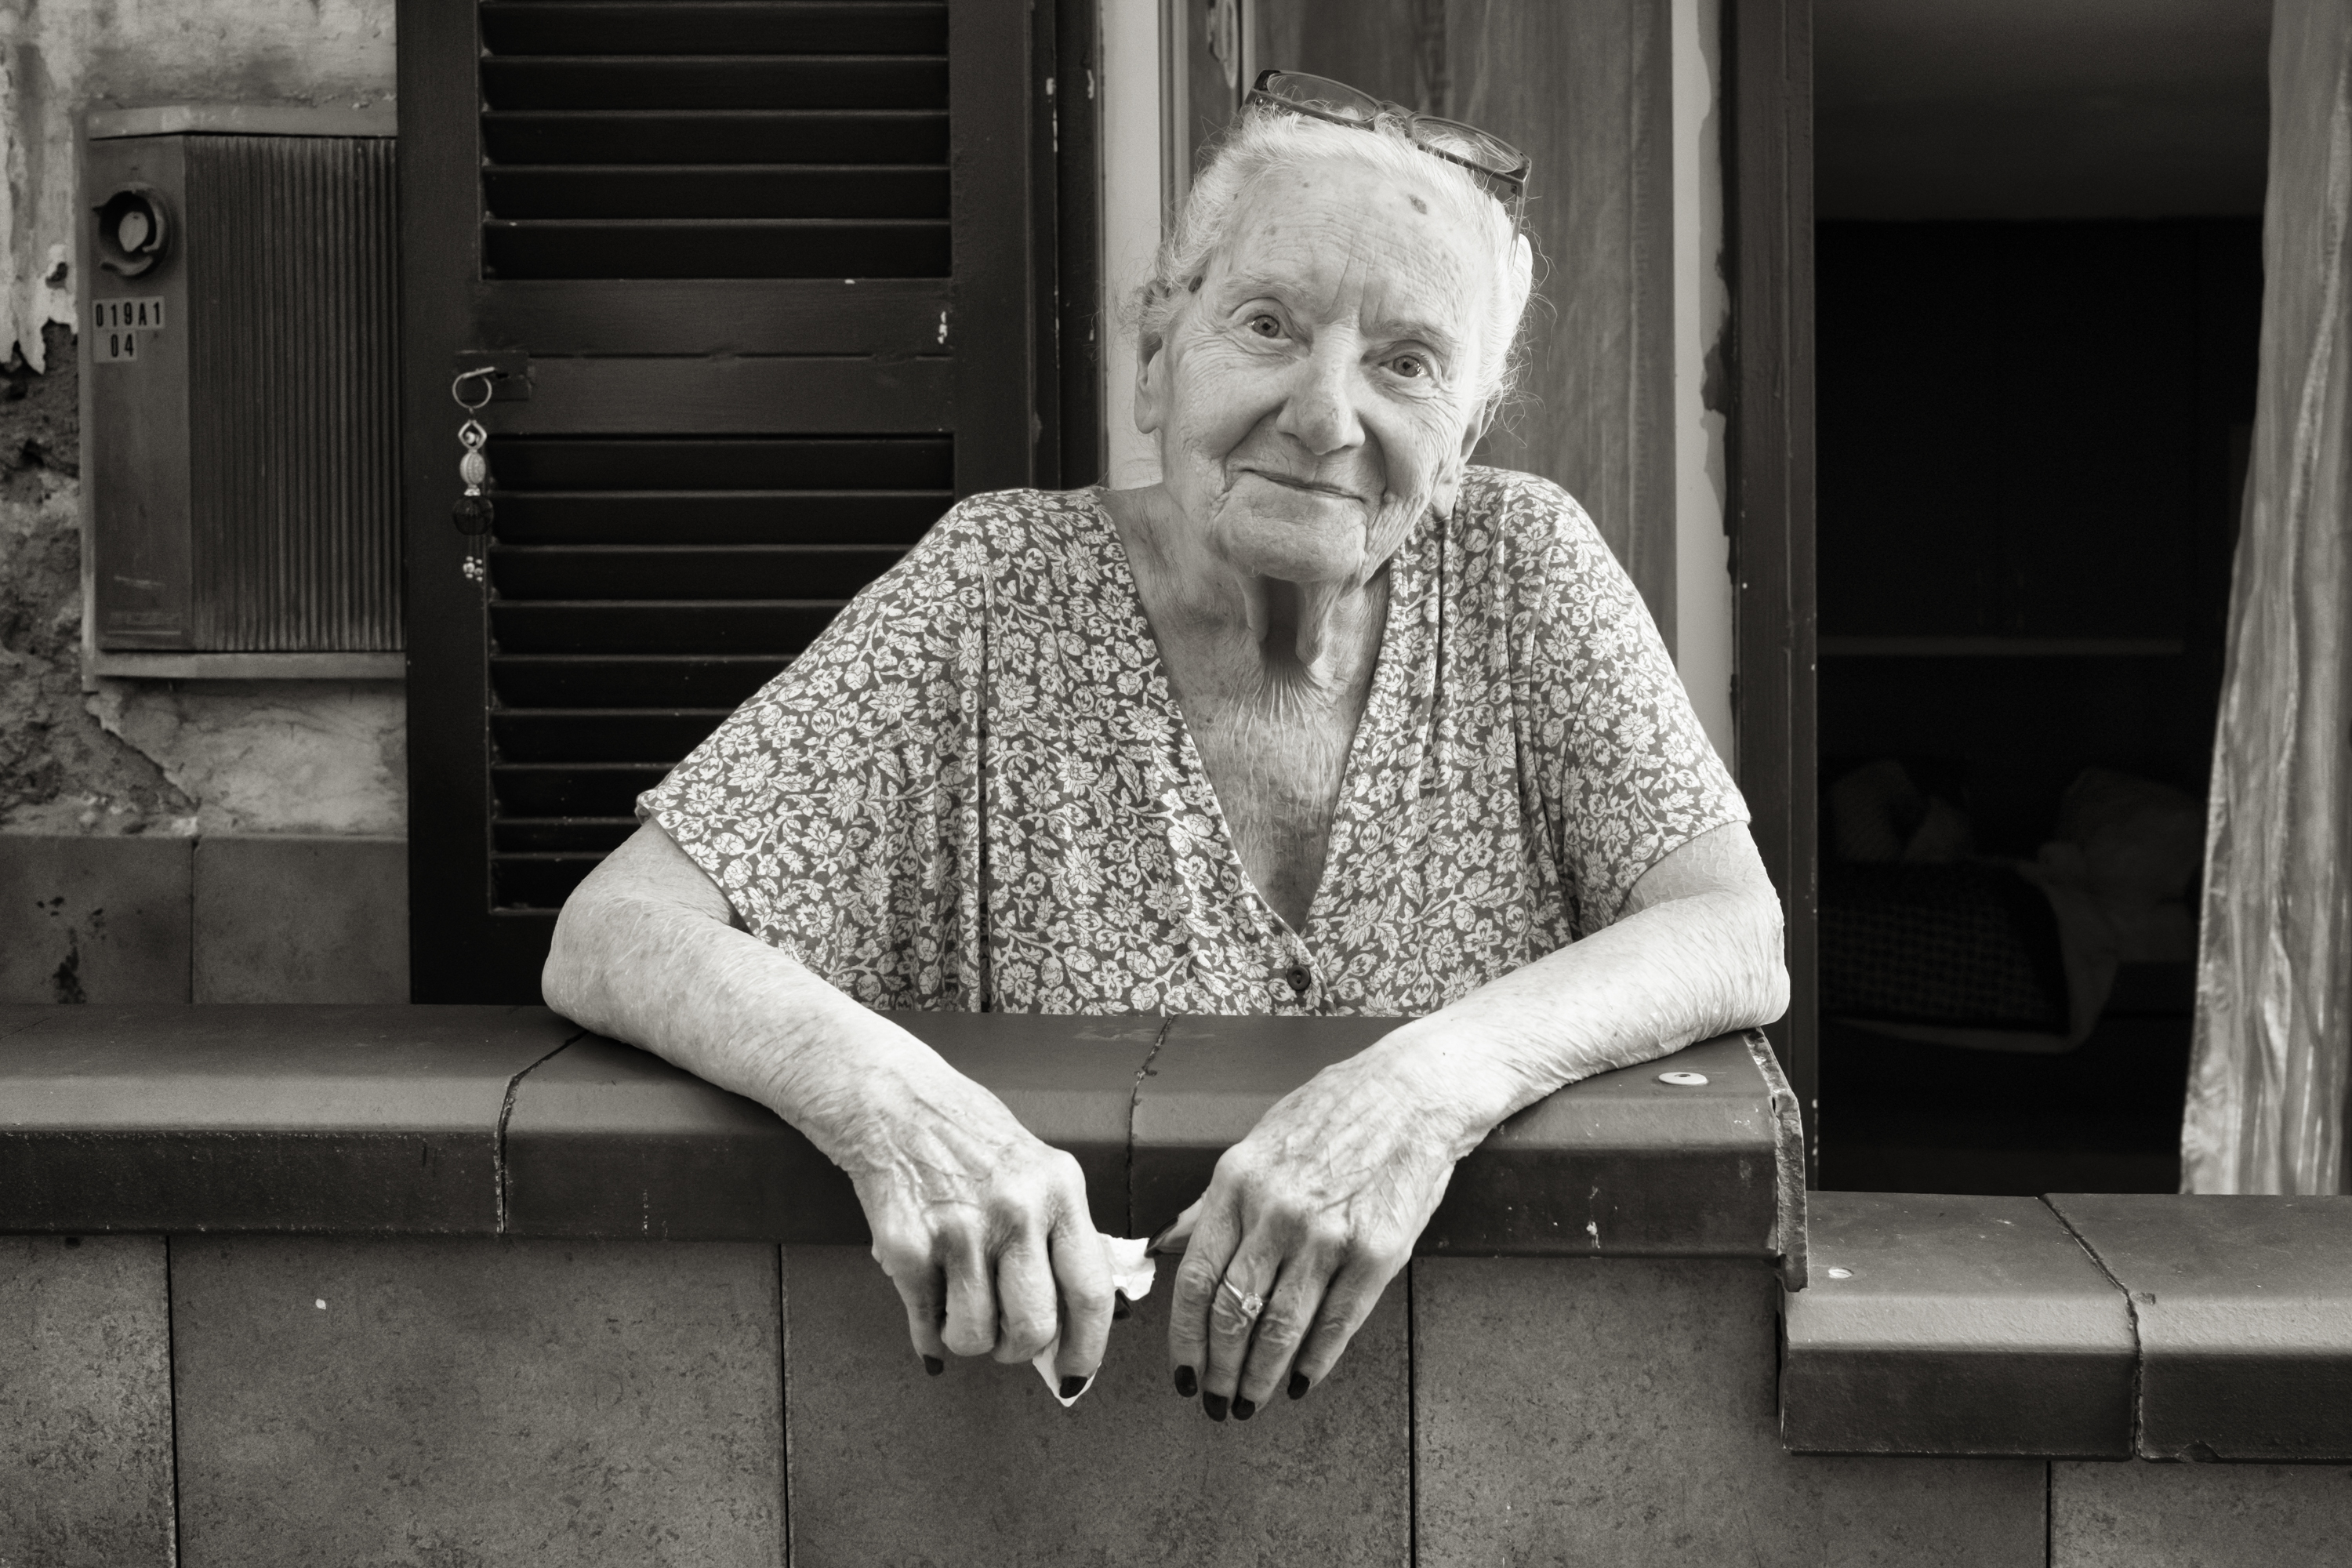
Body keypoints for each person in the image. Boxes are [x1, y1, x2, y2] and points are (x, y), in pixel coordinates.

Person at [543, 71, 1788, 1425]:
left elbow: (1731, 929)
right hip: (1020, 1438)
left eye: (1407, 363)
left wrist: (1424, 1088)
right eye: (1268, 324)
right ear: (1155, 358)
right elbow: (619, 931)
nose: (1327, 415)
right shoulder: (996, 588)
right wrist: (904, 1115)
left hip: (1486, 1413)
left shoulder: (1522, 568)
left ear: (1466, 436)